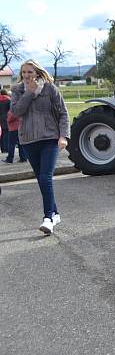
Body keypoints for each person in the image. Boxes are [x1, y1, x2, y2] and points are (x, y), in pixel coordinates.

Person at [10, 59, 70, 235]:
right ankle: (56, 213)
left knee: (45, 177)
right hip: (28, 140)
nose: (27, 75)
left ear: (37, 72)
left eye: (30, 72)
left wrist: (63, 136)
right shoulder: (18, 90)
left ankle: (48, 218)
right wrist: (28, 93)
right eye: (24, 72)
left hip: (49, 138)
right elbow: (16, 112)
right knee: (42, 180)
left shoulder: (50, 88)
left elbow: (63, 113)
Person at [0, 88, 10, 153]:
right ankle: (6, 149)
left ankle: (2, 149)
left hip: (0, 118)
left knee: (2, 134)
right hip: (7, 118)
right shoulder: (9, 100)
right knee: (6, 134)